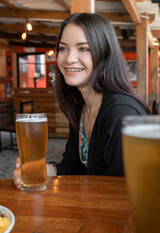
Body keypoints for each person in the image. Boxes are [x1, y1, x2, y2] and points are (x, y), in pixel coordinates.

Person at [14, 13, 150, 188]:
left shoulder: (120, 114)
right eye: (63, 48)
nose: (69, 58)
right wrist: (38, 169)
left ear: (104, 53)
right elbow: (72, 166)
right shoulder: (82, 106)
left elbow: (126, 195)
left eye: (83, 49)